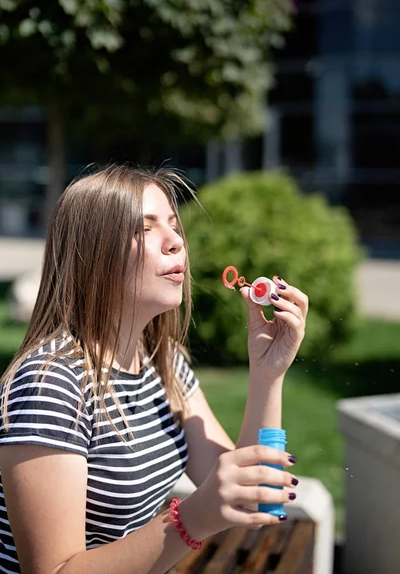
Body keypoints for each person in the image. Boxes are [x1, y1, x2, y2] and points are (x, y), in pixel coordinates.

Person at [0, 164, 308, 574]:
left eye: (173, 226)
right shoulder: (50, 384)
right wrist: (192, 518)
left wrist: (268, 375)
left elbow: (253, 496)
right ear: (91, 255)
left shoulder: (164, 363)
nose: (176, 242)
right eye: (144, 229)